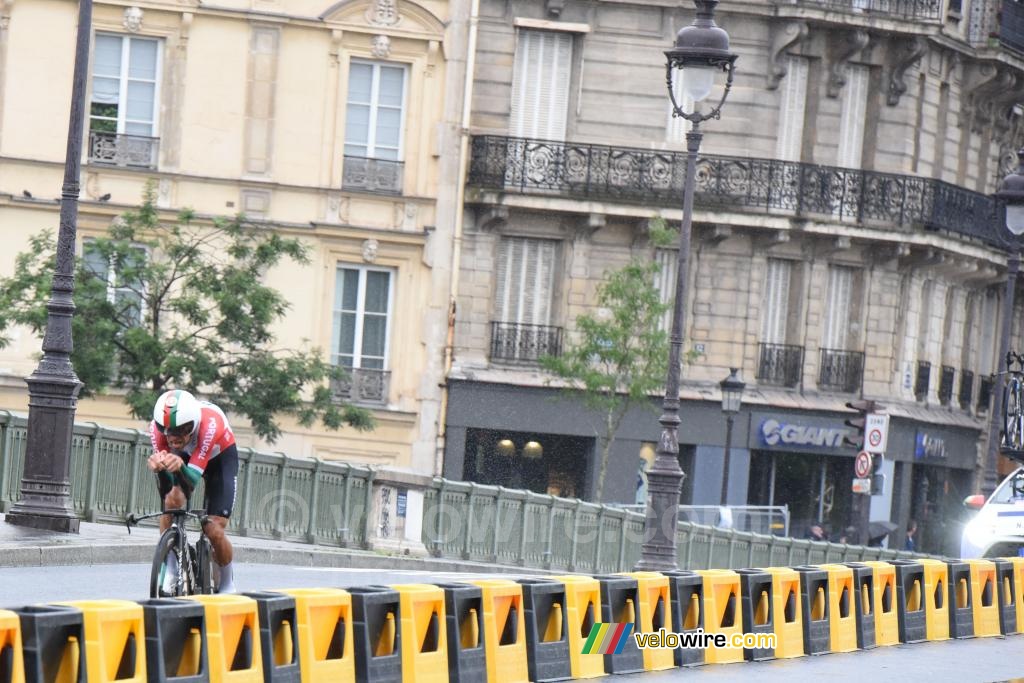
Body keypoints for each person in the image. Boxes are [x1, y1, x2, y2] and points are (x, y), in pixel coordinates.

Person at [148, 389, 238, 594]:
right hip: (185, 459)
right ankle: (171, 568)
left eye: (182, 429)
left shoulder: (209, 424)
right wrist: (162, 470)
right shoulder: (156, 429)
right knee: (171, 503)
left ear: (194, 425)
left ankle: (227, 582)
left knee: (214, 528)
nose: (174, 437)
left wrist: (179, 467)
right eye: (168, 430)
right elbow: (167, 490)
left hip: (219, 459)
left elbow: (192, 482)